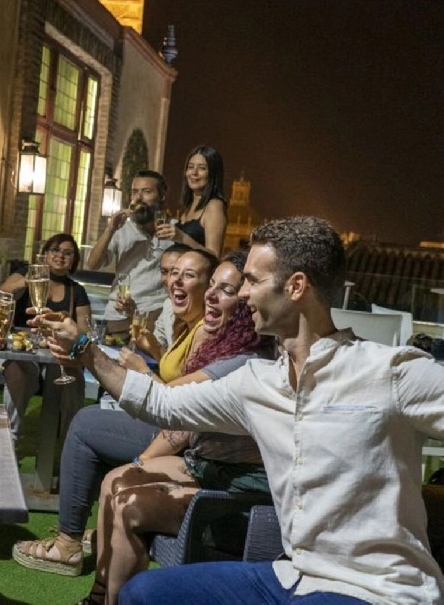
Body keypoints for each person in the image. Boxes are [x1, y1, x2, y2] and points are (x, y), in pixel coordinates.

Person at [43, 216, 444, 604]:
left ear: (296, 286)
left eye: (252, 279)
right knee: (141, 594)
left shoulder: (389, 371)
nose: (244, 293)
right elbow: (161, 403)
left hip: (379, 590)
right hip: (293, 575)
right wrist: (86, 350)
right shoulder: (256, 382)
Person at [12, 248, 218, 576]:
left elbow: (182, 407)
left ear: (211, 286)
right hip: (170, 423)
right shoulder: (187, 325)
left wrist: (144, 459)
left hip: (184, 438)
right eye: (171, 272)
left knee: (85, 423)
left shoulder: (207, 331)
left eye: (188, 275)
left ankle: (68, 543)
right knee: (94, 417)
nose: (175, 280)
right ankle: (99, 527)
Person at [84, 250, 272, 604]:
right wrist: (140, 463)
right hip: (207, 464)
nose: (212, 296)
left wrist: (85, 350)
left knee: (129, 502)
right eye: (212, 286)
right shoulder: (213, 344)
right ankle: (100, 593)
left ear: (248, 302)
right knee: (115, 479)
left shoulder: (243, 362)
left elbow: (167, 403)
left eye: (227, 290)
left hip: (238, 483)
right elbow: (183, 426)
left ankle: (112, 598)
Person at [0, 233, 91, 439]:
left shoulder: (76, 291)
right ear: (45, 254)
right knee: (17, 371)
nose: (60, 256)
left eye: (68, 253)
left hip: (57, 350)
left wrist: (69, 325)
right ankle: (9, 435)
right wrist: (28, 280)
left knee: (73, 378)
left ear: (73, 261)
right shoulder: (25, 274)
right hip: (23, 349)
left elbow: (85, 331)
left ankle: (70, 439)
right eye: (55, 250)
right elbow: (3, 293)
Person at [86, 170, 173, 341]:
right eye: (135, 192)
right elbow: (93, 264)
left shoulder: (174, 231)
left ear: (161, 196)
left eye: (147, 192)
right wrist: (110, 229)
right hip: (119, 316)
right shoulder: (122, 229)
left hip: (156, 317)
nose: (138, 198)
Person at [155, 146, 227, 256]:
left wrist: (182, 237)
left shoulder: (214, 206)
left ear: (213, 174)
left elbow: (214, 255)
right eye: (190, 167)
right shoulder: (189, 205)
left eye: (202, 168)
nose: (194, 172)